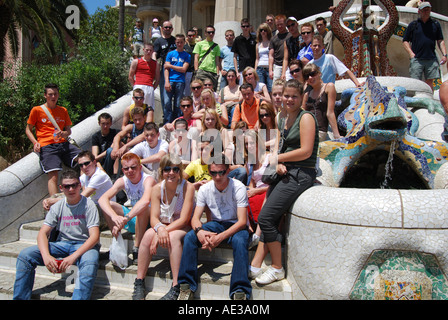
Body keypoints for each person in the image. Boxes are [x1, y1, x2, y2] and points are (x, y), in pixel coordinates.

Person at [254, 79, 318, 285]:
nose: (288, 99)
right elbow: (279, 146)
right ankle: (256, 264)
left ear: (301, 98)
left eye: (293, 96)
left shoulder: (305, 117)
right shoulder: (282, 117)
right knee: (267, 218)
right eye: (285, 95)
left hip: (301, 174)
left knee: (265, 218)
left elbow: (306, 151)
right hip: (285, 171)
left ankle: (276, 267)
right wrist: (278, 161)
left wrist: (278, 159)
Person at [14, 169, 100, 300]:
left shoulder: (89, 205)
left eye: (74, 185)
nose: (71, 189)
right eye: (67, 186)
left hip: (84, 245)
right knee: (25, 256)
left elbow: (94, 236)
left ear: (80, 186)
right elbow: (43, 233)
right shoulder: (58, 206)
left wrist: (73, 257)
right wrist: (46, 256)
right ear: (61, 188)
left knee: (90, 262)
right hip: (62, 244)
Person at [177, 155, 252, 300]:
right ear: (209, 172)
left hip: (235, 224)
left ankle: (240, 291)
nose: (217, 177)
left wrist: (220, 238)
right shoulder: (205, 189)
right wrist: (199, 232)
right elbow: (195, 218)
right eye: (213, 173)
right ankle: (186, 286)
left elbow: (242, 221)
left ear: (228, 170)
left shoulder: (238, 187)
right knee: (190, 237)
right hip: (216, 224)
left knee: (240, 241)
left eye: (221, 172)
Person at [132, 155, 195, 300]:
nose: (171, 173)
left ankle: (176, 285)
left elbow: (184, 219)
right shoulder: (156, 189)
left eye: (175, 169)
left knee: (172, 238)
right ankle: (139, 281)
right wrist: (160, 229)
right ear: (162, 171)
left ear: (180, 171)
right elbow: (153, 217)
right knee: (148, 235)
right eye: (167, 169)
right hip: (164, 225)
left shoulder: (187, 187)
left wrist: (163, 231)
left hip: (182, 226)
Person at [98, 153, 156, 264]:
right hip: (135, 219)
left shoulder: (148, 180)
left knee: (141, 207)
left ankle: (137, 248)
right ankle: (117, 239)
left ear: (140, 167)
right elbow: (102, 199)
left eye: (133, 167)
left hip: (151, 220)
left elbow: (145, 201)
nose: (130, 171)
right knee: (109, 205)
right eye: (126, 168)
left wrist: (126, 218)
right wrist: (114, 217)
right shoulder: (122, 181)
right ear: (123, 170)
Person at [26, 83, 80, 196]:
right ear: (45, 95)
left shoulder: (63, 110)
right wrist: (35, 142)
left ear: (58, 95)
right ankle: (54, 204)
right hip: (47, 145)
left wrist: (64, 133)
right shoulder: (37, 110)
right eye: (50, 94)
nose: (53, 97)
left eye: (55, 94)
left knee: (84, 160)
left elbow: (68, 131)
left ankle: (85, 193)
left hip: (63, 143)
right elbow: (28, 129)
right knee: (53, 174)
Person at [42, 151, 115, 213]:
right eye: (81, 165)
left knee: (66, 202)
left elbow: (80, 197)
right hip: (92, 206)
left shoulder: (99, 176)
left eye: (87, 163)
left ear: (94, 162)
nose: (84, 167)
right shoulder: (86, 176)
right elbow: (72, 189)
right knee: (57, 196)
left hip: (103, 211)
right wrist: (49, 200)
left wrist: (54, 201)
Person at [402, 1, 447, 91]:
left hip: (431, 58)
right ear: (419, 11)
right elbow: (405, 41)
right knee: (415, 81)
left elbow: (440, 40)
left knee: (430, 81)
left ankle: (429, 98)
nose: (426, 11)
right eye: (424, 10)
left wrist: (444, 55)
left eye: (428, 9)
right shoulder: (413, 25)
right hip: (417, 59)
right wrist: (411, 53)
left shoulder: (435, 25)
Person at [303, 63, 340, 141]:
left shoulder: (329, 87)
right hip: (306, 129)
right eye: (306, 76)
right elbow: (303, 113)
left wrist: (336, 135)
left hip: (319, 130)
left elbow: (330, 113)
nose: (310, 77)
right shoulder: (307, 94)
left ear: (319, 73)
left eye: (312, 74)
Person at [164, 34, 191, 124]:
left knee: (177, 104)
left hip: (180, 81)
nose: (179, 44)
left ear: (184, 43)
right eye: (177, 42)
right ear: (175, 42)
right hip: (170, 80)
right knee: (167, 103)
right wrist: (166, 81)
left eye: (181, 42)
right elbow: (166, 68)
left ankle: (177, 122)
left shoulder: (187, 55)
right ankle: (167, 122)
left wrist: (171, 65)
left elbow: (183, 69)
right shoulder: (170, 54)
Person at [153, 21, 177, 108]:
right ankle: (166, 115)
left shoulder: (175, 40)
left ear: (172, 29)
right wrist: (154, 66)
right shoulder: (158, 41)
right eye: (166, 27)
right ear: (162, 28)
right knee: (164, 93)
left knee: (176, 93)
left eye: (169, 27)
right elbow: (154, 54)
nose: (167, 29)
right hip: (164, 69)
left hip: (176, 69)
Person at [128, 43, 160, 108]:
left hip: (149, 87)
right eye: (147, 50)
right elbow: (130, 76)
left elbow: (157, 79)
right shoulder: (136, 61)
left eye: (150, 50)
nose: (148, 52)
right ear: (143, 50)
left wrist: (152, 88)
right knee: (136, 108)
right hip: (138, 85)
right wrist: (135, 86)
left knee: (148, 108)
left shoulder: (156, 64)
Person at [193, 25, 221, 91]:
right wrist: (196, 70)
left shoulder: (216, 46)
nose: (211, 34)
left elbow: (217, 61)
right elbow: (196, 58)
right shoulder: (199, 44)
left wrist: (217, 73)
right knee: (200, 91)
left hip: (212, 72)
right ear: (205, 33)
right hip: (202, 70)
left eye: (212, 32)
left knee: (212, 93)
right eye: (209, 32)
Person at [91, 112, 118, 178]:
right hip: (102, 164)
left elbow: (113, 147)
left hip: (113, 162)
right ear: (99, 123)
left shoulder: (115, 133)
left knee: (110, 150)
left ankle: (114, 176)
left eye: (107, 123)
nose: (105, 126)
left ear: (111, 123)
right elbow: (95, 155)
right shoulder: (96, 136)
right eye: (103, 124)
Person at [232, 18, 257, 83]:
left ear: (250, 27)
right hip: (242, 69)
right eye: (243, 26)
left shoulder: (254, 39)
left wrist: (256, 69)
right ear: (241, 27)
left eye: (247, 26)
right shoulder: (237, 39)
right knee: (243, 88)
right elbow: (235, 56)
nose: (245, 28)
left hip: (253, 68)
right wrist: (237, 72)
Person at [269, 14, 290, 82]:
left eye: (281, 24)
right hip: (277, 66)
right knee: (276, 86)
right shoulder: (273, 39)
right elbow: (271, 55)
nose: (279, 26)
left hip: (289, 65)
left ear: (285, 24)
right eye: (278, 25)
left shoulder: (290, 36)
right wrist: (270, 70)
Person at [255, 23, 273, 93]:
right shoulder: (258, 44)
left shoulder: (271, 42)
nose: (263, 32)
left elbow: (272, 56)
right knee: (260, 89)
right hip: (260, 68)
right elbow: (257, 58)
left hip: (269, 68)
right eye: (261, 30)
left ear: (268, 31)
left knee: (270, 88)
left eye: (265, 30)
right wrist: (255, 70)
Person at [184, 29, 197, 97]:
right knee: (187, 92)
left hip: (195, 72)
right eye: (189, 35)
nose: (191, 37)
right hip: (187, 71)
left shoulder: (198, 46)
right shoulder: (184, 47)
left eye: (193, 35)